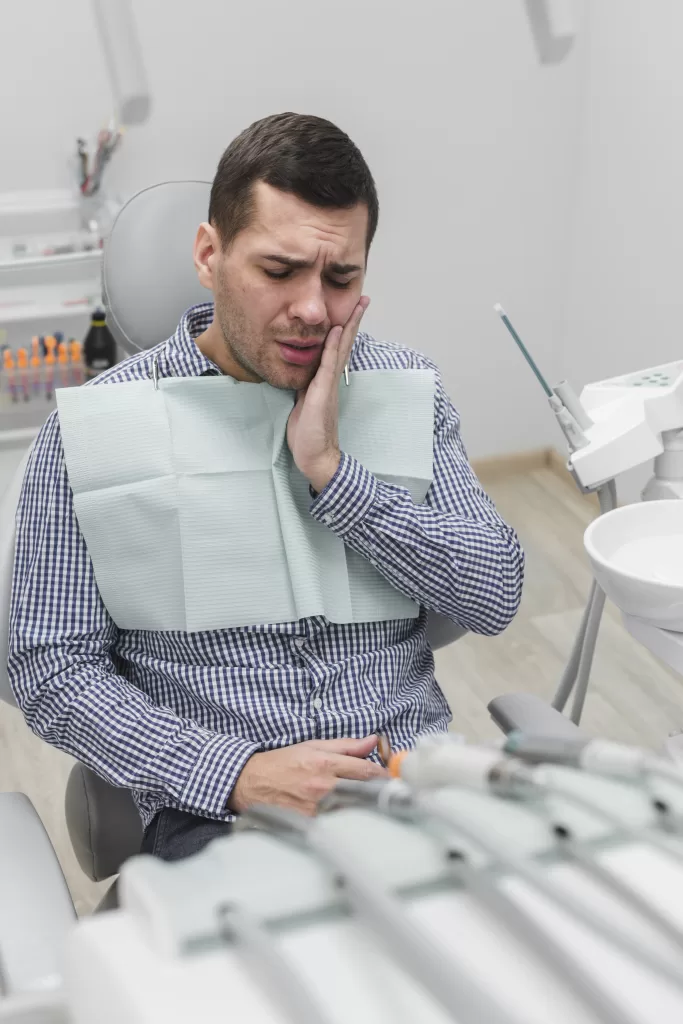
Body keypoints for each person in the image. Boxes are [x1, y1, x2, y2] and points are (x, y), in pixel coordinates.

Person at [8, 112, 524, 864]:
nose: (313, 310)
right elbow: (51, 666)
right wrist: (235, 774)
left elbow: (494, 594)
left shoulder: (403, 393)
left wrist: (336, 477)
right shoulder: (95, 430)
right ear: (209, 254)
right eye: (279, 272)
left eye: (339, 277)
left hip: (413, 784)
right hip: (219, 813)